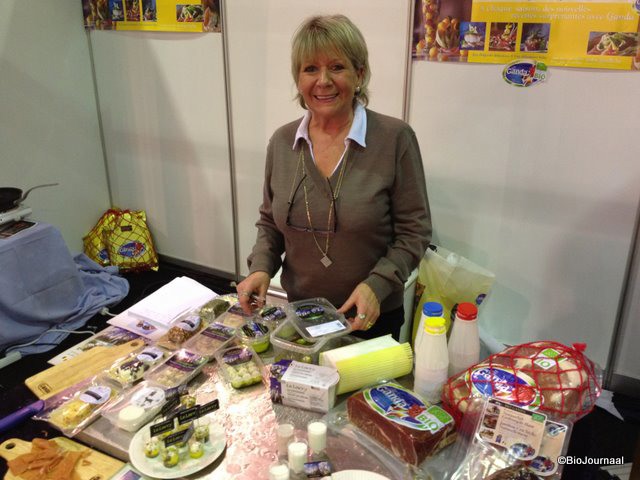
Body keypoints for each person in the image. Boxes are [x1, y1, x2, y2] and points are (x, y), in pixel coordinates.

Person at [236, 14, 431, 340]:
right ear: (298, 78)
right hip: (303, 314)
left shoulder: (395, 139)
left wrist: (377, 285)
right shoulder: (283, 142)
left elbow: (415, 231)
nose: (323, 81)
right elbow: (270, 223)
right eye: (310, 69)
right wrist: (261, 267)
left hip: (369, 318)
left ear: (360, 73)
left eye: (337, 67)